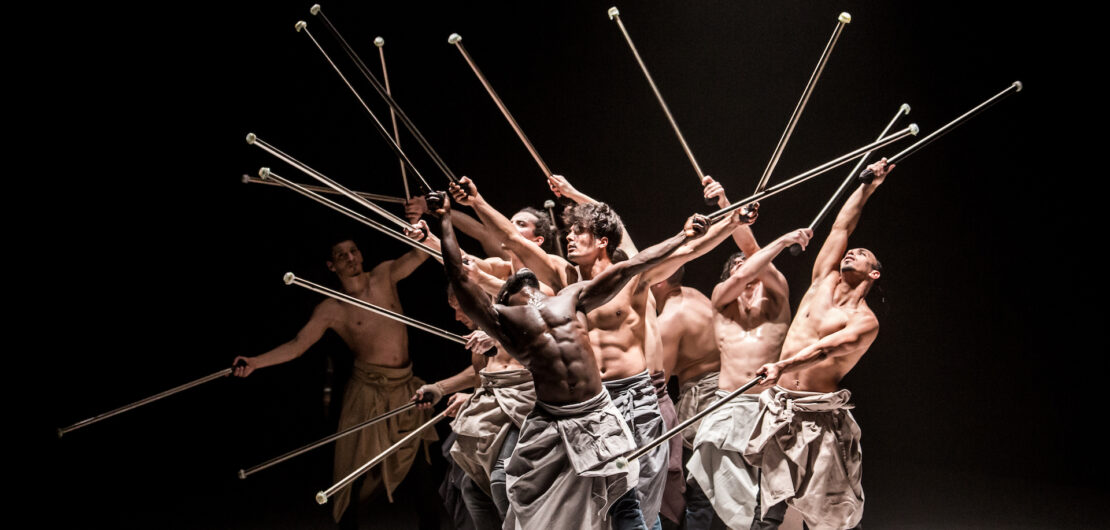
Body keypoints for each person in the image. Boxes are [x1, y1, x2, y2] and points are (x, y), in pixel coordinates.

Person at [434, 189, 711, 530]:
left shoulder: (572, 297)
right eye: (514, 286)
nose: (569, 238)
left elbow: (639, 262)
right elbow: (469, 275)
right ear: (509, 300)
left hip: (612, 403)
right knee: (516, 489)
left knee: (629, 499)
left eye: (579, 232)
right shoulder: (511, 319)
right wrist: (447, 221)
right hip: (556, 418)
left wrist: (693, 231)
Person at [231, 238, 437, 523]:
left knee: (421, 474)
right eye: (341, 255)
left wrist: (423, 228)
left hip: (405, 388)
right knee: (354, 475)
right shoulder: (332, 308)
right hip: (367, 391)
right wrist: (255, 362)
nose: (350, 257)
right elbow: (297, 345)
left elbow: (422, 254)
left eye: (353, 251)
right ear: (332, 266)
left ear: (361, 254)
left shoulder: (385, 274)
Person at [745, 159, 894, 530]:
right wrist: (867, 187)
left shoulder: (864, 321)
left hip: (819, 417)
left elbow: (826, 349)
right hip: (781, 406)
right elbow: (842, 226)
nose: (851, 252)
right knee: (768, 508)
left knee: (830, 511)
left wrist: (782, 366)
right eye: (850, 251)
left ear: (874, 273)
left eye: (862, 254)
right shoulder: (821, 282)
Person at [684, 225, 812, 529]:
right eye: (735, 264)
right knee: (702, 488)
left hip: (766, 406)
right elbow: (742, 274)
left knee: (768, 497)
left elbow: (756, 258)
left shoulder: (777, 297)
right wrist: (781, 238)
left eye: (749, 261)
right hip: (726, 404)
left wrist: (734, 212)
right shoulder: (721, 299)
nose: (743, 266)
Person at [414, 291, 537, 530]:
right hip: (490, 408)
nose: (457, 315)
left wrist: (497, 339)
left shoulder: (513, 315)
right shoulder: (481, 328)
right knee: (471, 488)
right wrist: (441, 389)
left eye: (461, 306)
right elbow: (483, 373)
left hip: (523, 407)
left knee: (501, 480)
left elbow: (526, 366)